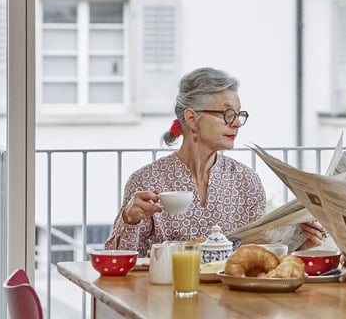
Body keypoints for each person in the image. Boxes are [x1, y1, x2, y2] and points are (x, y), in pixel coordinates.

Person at [105, 67, 327, 257]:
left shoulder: (246, 181)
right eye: (227, 114)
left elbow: (256, 257)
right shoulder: (146, 180)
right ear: (192, 119)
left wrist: (300, 246)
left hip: (230, 298)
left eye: (240, 115)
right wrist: (129, 218)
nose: (237, 124)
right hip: (166, 295)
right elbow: (119, 261)